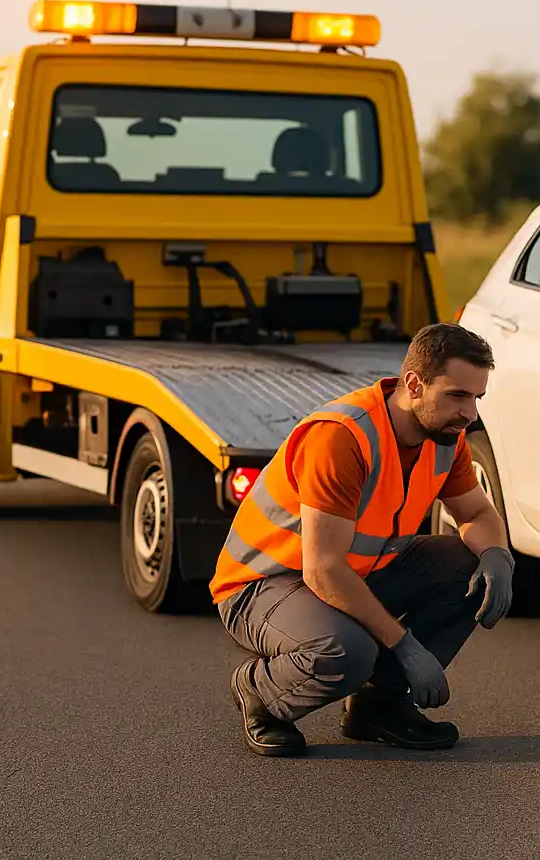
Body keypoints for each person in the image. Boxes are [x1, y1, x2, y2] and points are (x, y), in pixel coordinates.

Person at [209, 322, 515, 757]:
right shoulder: (342, 438)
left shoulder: (446, 437)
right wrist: (405, 646)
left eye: (476, 398)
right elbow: (323, 569)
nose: (471, 413)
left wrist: (497, 555)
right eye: (457, 395)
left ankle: (379, 706)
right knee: (348, 652)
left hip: (353, 573)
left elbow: (478, 513)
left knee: (468, 566)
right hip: (264, 584)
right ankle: (261, 693)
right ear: (414, 384)